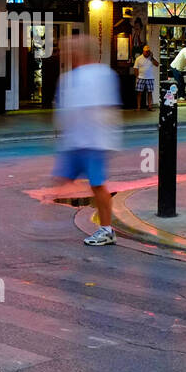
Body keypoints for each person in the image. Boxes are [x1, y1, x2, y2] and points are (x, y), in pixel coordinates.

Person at [51, 35, 122, 246]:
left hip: (92, 142)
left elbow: (104, 109)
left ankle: (107, 230)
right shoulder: (76, 77)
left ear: (80, 52)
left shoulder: (97, 75)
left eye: (69, 49)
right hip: (79, 141)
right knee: (62, 179)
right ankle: (43, 224)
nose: (65, 53)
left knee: (97, 184)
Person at [133, 45, 158, 110]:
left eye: (148, 52)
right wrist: (137, 77)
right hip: (140, 78)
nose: (147, 53)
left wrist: (152, 58)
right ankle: (138, 107)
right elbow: (135, 68)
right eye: (146, 51)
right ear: (143, 51)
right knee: (139, 93)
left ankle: (150, 107)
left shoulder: (151, 58)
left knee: (150, 93)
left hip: (150, 78)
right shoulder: (138, 58)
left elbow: (157, 64)